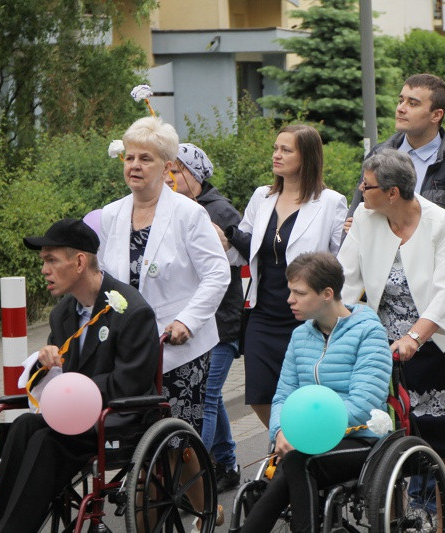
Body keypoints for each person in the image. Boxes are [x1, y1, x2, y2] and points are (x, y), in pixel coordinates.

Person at [0, 218, 159, 532]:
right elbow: (52, 384)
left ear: (78, 262)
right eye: (43, 262)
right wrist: (43, 365)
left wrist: (76, 388)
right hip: (71, 418)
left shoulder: (131, 310)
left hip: (115, 418)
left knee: (46, 441)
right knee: (23, 426)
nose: (44, 269)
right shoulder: (62, 313)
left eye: (51, 260)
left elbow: (130, 383)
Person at [339, 149, 445, 516]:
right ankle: (394, 523)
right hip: (385, 346)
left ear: (392, 192)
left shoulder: (440, 222)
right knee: (388, 441)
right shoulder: (365, 219)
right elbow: (344, 279)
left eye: (366, 186)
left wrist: (415, 336)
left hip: (439, 343)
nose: (360, 191)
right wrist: (333, 325)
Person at [238, 252, 392, 533]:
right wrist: (281, 432)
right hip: (308, 440)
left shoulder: (368, 332)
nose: (289, 300)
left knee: (298, 461)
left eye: (299, 292)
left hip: (361, 438)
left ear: (327, 293)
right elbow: (283, 395)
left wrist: (307, 434)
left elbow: (364, 403)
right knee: (294, 461)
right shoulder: (300, 336)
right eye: (290, 292)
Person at [97, 116, 230, 438]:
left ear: (167, 165)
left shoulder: (188, 213)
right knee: (133, 437)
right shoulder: (111, 214)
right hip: (128, 348)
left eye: (146, 158)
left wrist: (187, 321)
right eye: (129, 158)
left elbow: (217, 273)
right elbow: (103, 279)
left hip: (178, 347)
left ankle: (196, 486)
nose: (135, 166)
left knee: (178, 442)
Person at [347, 73, 445, 347]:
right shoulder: (379, 157)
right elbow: (356, 218)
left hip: (438, 316)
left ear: (436, 114)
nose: (401, 107)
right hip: (381, 311)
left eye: (413, 103)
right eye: (401, 99)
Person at [222, 124, 348, 428]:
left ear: (306, 157)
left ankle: (306, 451)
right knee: (260, 394)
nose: (277, 155)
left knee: (306, 392)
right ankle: (285, 441)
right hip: (264, 312)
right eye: (276, 148)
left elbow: (341, 264)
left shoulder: (331, 202)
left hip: (306, 317)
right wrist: (225, 241)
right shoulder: (261, 197)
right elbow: (246, 252)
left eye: (286, 150)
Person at [166, 142, 244, 492]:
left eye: (174, 169)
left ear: (192, 174)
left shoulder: (219, 210)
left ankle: (194, 481)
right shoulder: (171, 208)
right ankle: (226, 462)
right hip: (186, 321)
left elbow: (244, 257)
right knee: (208, 394)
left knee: (206, 398)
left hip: (220, 320)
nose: (168, 176)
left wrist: (224, 243)